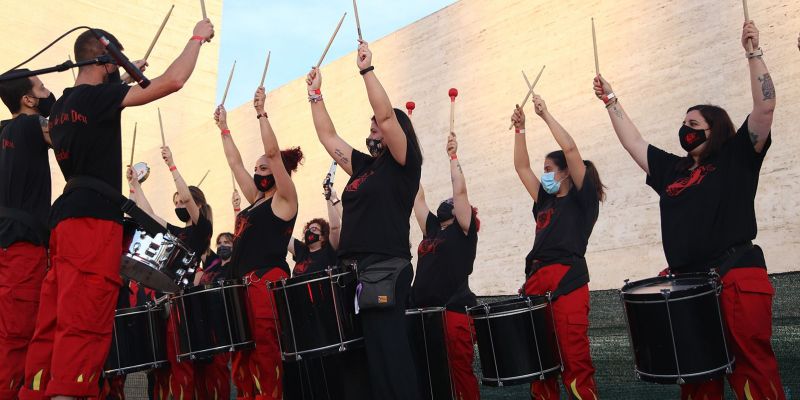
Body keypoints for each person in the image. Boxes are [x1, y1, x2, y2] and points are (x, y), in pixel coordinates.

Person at [20, 19, 214, 400]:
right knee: (83, 326)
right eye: (116, 63)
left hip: (64, 221)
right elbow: (172, 80)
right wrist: (196, 38)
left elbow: (97, 103)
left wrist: (120, 78)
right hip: (92, 224)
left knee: (54, 326)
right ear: (107, 59)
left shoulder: (61, 108)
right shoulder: (97, 99)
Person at [594, 20, 784, 399]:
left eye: (693, 124)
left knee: (752, 372)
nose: (685, 130)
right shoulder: (672, 169)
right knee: (698, 377)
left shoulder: (737, 157)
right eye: (683, 124)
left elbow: (764, 107)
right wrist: (611, 100)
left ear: (714, 130)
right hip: (688, 288)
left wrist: (753, 52)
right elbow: (634, 141)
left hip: (736, 278)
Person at [306, 39, 422, 399]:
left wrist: (366, 70)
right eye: (370, 128)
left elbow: (387, 116)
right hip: (352, 273)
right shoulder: (363, 167)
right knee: (359, 363)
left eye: (377, 128)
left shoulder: (405, 164)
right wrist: (315, 94)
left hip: (385, 268)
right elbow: (328, 137)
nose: (373, 130)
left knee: (390, 359)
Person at [511, 93, 605, 399]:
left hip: (568, 280)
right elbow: (521, 167)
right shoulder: (545, 201)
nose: (544, 174)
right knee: (541, 363)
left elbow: (570, 148)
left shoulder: (582, 200)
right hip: (537, 279)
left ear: (565, 172)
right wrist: (520, 129)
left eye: (549, 168)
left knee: (574, 359)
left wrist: (545, 115)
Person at [214, 85, 302, 400]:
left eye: (264, 169)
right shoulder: (255, 200)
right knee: (243, 363)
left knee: (266, 360)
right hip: (241, 287)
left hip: (265, 284)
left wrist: (261, 112)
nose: (258, 172)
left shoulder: (285, 199)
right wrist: (224, 128)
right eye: (258, 169)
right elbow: (235, 164)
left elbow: (275, 155)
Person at [127, 145, 214, 400]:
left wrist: (172, 166)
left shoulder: (201, 228)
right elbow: (150, 216)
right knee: (170, 364)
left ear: (197, 203)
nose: (178, 204)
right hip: (172, 302)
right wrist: (136, 185)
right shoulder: (178, 231)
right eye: (174, 202)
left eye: (181, 200)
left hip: (189, 304)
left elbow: (187, 199)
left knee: (185, 365)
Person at [411, 133, 480, 400]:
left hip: (453, 312)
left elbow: (460, 191)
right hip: (425, 315)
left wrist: (453, 156)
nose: (447, 202)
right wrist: (408, 158)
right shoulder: (432, 228)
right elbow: (417, 197)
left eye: (451, 203)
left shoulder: (464, 231)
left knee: (458, 375)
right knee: (433, 377)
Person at [0, 71, 54, 400]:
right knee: (18, 337)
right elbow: (74, 130)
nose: (49, 93)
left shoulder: (3, 130)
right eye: (42, 88)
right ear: (28, 99)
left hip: (7, 243)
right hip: (22, 248)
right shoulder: (32, 126)